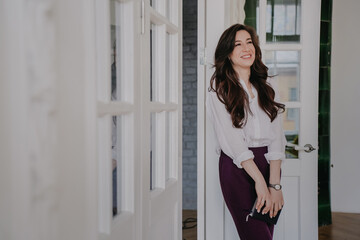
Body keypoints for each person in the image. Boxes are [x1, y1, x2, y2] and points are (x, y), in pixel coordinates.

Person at [206, 23, 286, 239]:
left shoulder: (268, 85)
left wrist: (274, 184)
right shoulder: (219, 89)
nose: (246, 48)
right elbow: (232, 141)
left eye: (249, 42)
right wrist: (260, 182)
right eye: (237, 44)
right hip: (238, 168)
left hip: (269, 164)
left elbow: (277, 136)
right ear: (228, 53)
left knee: (266, 232)